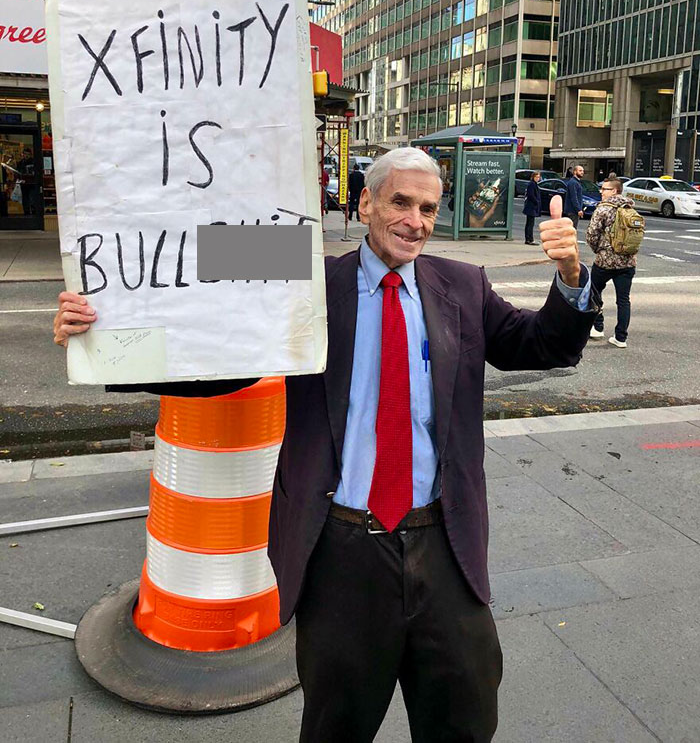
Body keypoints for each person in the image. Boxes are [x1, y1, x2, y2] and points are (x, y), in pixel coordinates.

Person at [54, 147, 598, 743]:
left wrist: (571, 278)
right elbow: (216, 358)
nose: (415, 221)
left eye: (427, 208)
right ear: (365, 202)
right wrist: (102, 338)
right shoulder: (311, 285)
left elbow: (540, 346)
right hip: (342, 549)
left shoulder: (463, 286)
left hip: (445, 542)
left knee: (466, 717)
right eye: (400, 202)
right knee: (336, 724)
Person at [586, 177, 637, 348]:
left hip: (605, 262)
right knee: (623, 300)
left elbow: (591, 234)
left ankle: (597, 326)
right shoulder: (631, 208)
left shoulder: (603, 209)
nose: (601, 191)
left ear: (614, 191)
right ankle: (621, 337)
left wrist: (598, 250)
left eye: (605, 189)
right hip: (628, 262)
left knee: (593, 292)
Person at [523, 171, 541, 244]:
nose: (537, 178)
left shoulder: (534, 184)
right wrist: (536, 201)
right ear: (533, 177)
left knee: (530, 223)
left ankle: (529, 238)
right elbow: (531, 195)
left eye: (539, 177)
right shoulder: (532, 184)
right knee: (530, 223)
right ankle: (529, 239)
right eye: (536, 177)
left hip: (531, 206)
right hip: (531, 206)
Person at [564, 164, 585, 228]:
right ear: (575, 172)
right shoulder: (573, 182)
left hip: (573, 211)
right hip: (572, 211)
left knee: (572, 229)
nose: (582, 172)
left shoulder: (576, 182)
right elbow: (574, 197)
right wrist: (578, 209)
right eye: (580, 170)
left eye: (583, 171)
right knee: (572, 230)